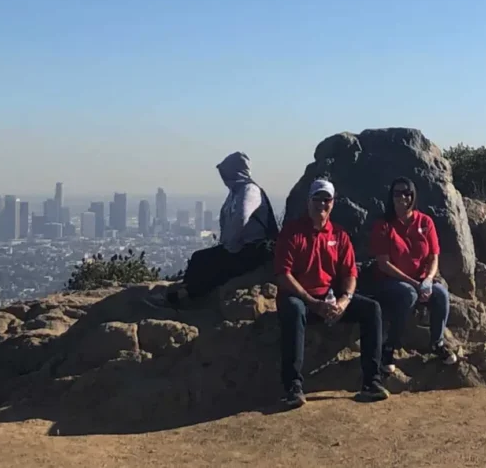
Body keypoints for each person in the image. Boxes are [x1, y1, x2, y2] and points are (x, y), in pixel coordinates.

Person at [274, 178, 389, 408]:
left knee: (371, 309)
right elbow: (282, 275)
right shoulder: (293, 232)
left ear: (333, 203)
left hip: (330, 299)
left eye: (326, 199)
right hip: (300, 298)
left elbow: (350, 273)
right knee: (294, 310)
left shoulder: (339, 235)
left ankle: (371, 382)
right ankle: (293, 387)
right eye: (317, 199)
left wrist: (344, 301)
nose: (321, 204)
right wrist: (311, 301)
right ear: (308, 201)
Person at [146, 152, 278, 310]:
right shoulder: (237, 191)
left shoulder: (250, 190)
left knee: (215, 268)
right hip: (240, 246)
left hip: (253, 249)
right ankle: (184, 291)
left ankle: (182, 297)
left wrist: (231, 246)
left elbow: (241, 218)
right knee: (199, 258)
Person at [370, 177, 457, 374]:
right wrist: (415, 284)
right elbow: (384, 264)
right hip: (389, 281)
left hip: (420, 280)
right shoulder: (383, 225)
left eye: (407, 193)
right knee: (408, 294)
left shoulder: (425, 222)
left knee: (441, 293)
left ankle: (437, 343)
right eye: (397, 193)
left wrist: (427, 279)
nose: (402, 197)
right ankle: (389, 347)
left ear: (413, 196)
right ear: (391, 197)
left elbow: (434, 256)